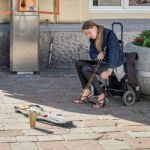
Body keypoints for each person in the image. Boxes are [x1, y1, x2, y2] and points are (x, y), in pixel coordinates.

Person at [74, 20, 125, 109]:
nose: (88, 36)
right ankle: (87, 91)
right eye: (86, 34)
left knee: (85, 69)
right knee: (78, 63)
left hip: (114, 64)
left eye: (89, 33)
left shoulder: (109, 34)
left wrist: (109, 69)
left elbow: (114, 52)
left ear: (94, 27)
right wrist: (97, 56)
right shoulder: (92, 39)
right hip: (102, 62)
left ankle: (101, 96)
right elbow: (92, 53)